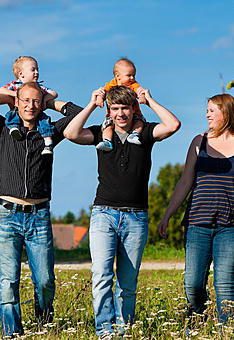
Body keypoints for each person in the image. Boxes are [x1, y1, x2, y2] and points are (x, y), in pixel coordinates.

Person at [64, 85, 180, 337]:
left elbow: (173, 125)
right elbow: (70, 132)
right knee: (101, 275)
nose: (120, 114)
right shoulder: (99, 134)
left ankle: (124, 329)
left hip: (136, 217)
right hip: (103, 214)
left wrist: (149, 101)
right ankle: (105, 330)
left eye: (125, 108)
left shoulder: (146, 133)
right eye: (115, 109)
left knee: (127, 283)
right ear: (109, 110)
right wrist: (92, 105)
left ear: (132, 108)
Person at [0, 81, 82, 337]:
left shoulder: (50, 133)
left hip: (39, 215)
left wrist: (49, 101)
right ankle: (12, 332)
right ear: (17, 103)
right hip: (7, 215)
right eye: (25, 101)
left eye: (36, 101)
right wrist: (10, 96)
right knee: (7, 281)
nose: (31, 106)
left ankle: (43, 317)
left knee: (45, 281)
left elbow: (76, 113)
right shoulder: (2, 129)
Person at [157, 93, 234, 323]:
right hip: (197, 221)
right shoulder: (198, 141)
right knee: (192, 284)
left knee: (224, 283)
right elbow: (185, 181)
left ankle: (228, 331)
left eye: (212, 110)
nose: (207, 115)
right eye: (207, 110)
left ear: (227, 112)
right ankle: (198, 319)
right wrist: (167, 215)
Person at [0, 56, 58, 155]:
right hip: (19, 110)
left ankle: (48, 142)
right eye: (33, 70)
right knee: (11, 114)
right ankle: (14, 128)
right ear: (21, 74)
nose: (37, 73)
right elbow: (0, 90)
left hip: (35, 113)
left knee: (44, 121)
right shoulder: (16, 85)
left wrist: (43, 100)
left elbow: (54, 93)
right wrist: (16, 94)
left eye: (37, 70)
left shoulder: (39, 87)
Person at [95, 58, 146, 151]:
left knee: (140, 122)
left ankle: (134, 134)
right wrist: (99, 98)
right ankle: (107, 140)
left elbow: (139, 90)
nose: (132, 78)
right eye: (129, 75)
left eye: (134, 75)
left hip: (135, 113)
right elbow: (102, 91)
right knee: (107, 126)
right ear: (118, 76)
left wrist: (142, 96)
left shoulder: (133, 84)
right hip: (112, 116)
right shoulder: (111, 84)